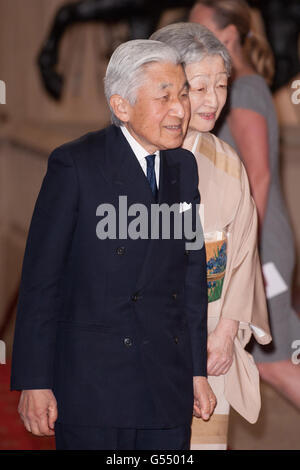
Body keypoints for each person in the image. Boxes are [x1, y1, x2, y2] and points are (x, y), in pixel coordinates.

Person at [10, 39, 216, 450]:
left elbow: (191, 274)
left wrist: (196, 371)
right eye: (164, 97)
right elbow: (40, 279)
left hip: (167, 384)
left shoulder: (183, 167)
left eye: (182, 95)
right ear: (121, 107)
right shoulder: (76, 165)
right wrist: (34, 380)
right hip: (95, 386)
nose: (180, 110)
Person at [151, 22, 271, 450]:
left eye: (220, 86)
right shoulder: (134, 156)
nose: (213, 100)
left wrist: (225, 334)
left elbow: (242, 255)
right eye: (198, 87)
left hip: (209, 339)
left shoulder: (227, 163)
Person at [190, 0, 300, 409]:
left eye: (199, 28)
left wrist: (243, 253)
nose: (192, 37)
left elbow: (260, 176)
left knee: (274, 360)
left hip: (262, 247)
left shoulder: (244, 89)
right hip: (256, 244)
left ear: (229, 36)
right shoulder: (236, 86)